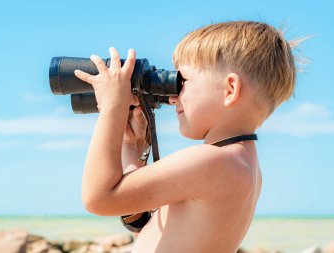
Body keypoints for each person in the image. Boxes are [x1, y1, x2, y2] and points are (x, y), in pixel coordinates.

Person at [74, 21, 297, 253]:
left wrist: (113, 108)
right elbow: (151, 227)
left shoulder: (213, 162)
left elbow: (99, 198)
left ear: (230, 90)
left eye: (182, 82)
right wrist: (132, 147)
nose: (172, 98)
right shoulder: (241, 164)